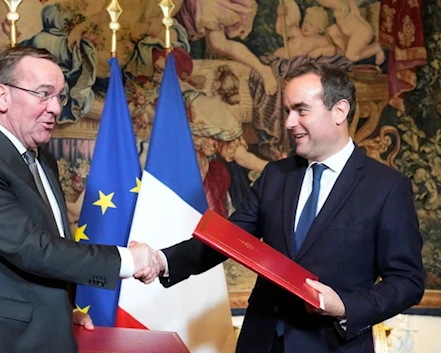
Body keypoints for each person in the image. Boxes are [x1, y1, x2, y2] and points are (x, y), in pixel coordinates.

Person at [144, 63, 425, 353]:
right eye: (288, 111)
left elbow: (407, 281)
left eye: (301, 110)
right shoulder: (275, 176)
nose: (290, 122)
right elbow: (226, 240)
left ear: (339, 111)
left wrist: (344, 306)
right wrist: (160, 260)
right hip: (260, 344)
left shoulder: (387, 187)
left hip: (332, 346)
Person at [0, 46, 161, 353]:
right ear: (2, 97)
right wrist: (131, 260)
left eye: (60, 97)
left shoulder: (41, 159)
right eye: (43, 94)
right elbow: (31, 249)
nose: (55, 108)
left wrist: (58, 314)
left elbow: (44, 252)